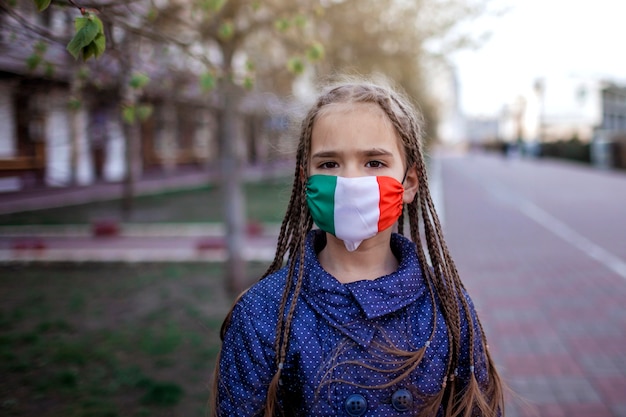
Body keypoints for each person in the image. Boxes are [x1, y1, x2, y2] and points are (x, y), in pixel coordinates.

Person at [211, 78, 505, 416]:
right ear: (306, 182)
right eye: (329, 164)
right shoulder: (262, 314)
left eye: (374, 163)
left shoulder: (448, 308)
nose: (350, 181)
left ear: (408, 183)